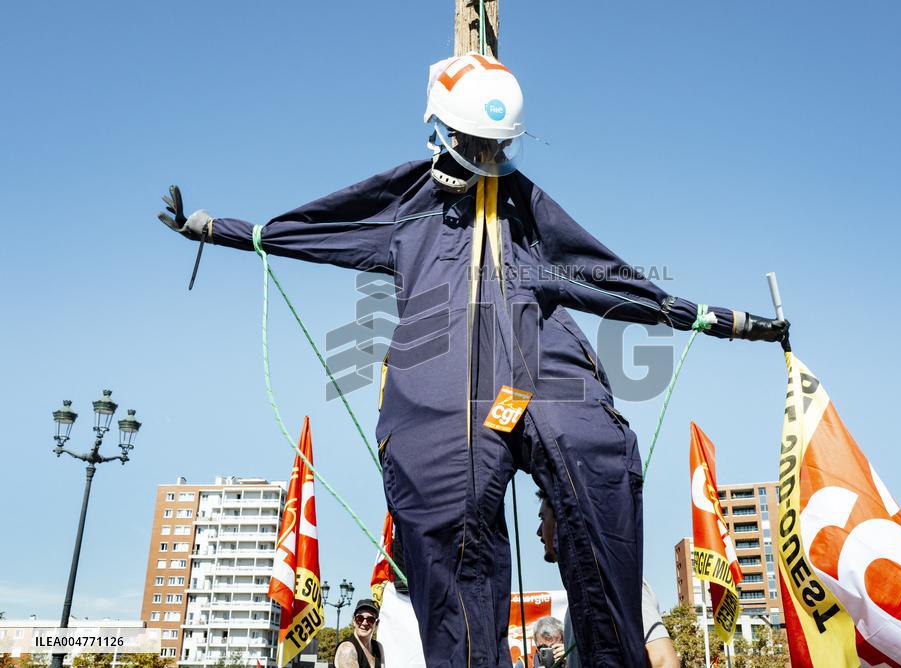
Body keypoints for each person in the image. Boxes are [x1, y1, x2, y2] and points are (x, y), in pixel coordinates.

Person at [158, 52, 787, 668]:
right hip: (441, 392)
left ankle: (611, 653)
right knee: (449, 518)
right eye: (477, 143)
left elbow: (607, 276)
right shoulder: (409, 205)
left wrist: (715, 318)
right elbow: (320, 228)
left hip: (540, 367)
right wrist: (221, 229)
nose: (487, 159)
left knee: (595, 461)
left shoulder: (529, 211)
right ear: (443, 129)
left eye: (496, 147)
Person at [537, 489, 680, 668]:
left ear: (561, 521)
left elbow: (664, 662)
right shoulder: (578, 599)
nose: (538, 532)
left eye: (542, 519)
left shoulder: (611, 582)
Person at [334, 599, 384, 668]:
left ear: (376, 624)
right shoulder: (347, 649)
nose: (364, 623)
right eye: (360, 618)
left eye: (370, 620)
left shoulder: (378, 647)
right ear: (354, 621)